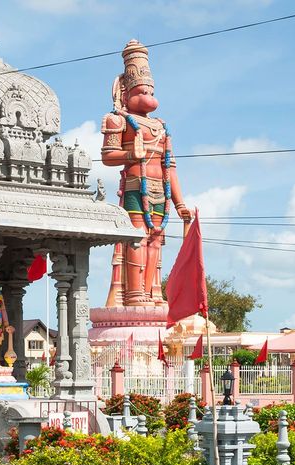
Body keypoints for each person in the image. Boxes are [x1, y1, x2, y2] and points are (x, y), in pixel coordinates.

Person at [101, 39, 193, 307]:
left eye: (151, 91)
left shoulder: (161, 127)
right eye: (142, 92)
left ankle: (152, 291)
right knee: (137, 239)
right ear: (125, 94)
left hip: (159, 190)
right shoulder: (118, 119)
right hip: (134, 186)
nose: (150, 97)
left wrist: (180, 203)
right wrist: (132, 155)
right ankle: (133, 293)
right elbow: (108, 156)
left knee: (155, 241)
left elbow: (170, 166)